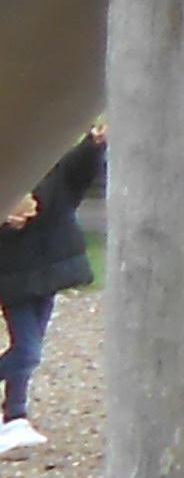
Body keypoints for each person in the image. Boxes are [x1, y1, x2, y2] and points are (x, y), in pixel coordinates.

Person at [1, 127, 109, 456]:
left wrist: (93, 145)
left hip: (45, 269)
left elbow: (75, 171)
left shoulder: (49, 164)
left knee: (29, 347)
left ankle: (15, 414)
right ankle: (14, 415)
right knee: (28, 351)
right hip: (13, 273)